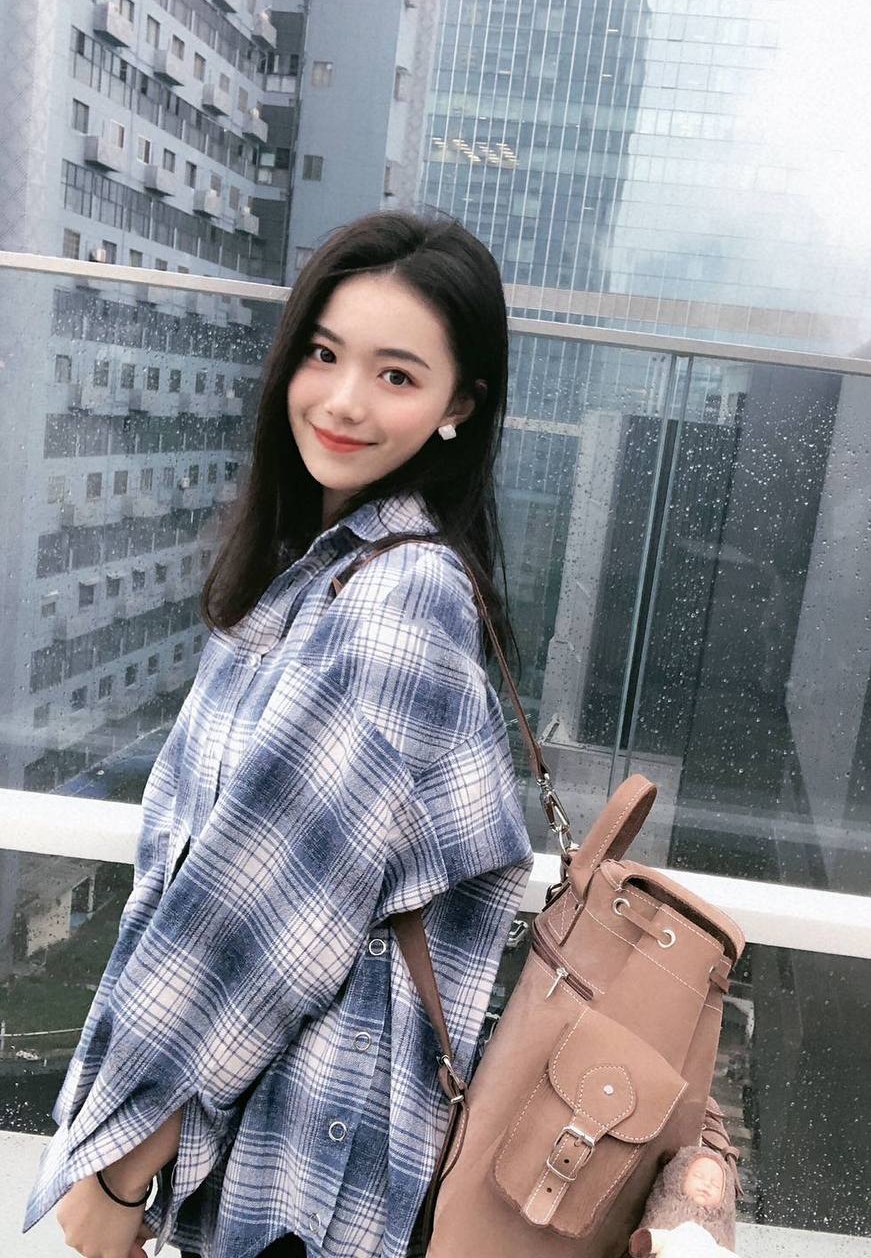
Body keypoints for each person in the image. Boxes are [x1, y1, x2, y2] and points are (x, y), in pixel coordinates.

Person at [21, 209, 534, 1258]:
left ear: (459, 405)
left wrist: (119, 1172)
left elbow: (256, 923)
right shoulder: (316, 577)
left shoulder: (401, 599)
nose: (343, 401)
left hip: (314, 1175)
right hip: (276, 1150)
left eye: (397, 375)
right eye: (324, 354)